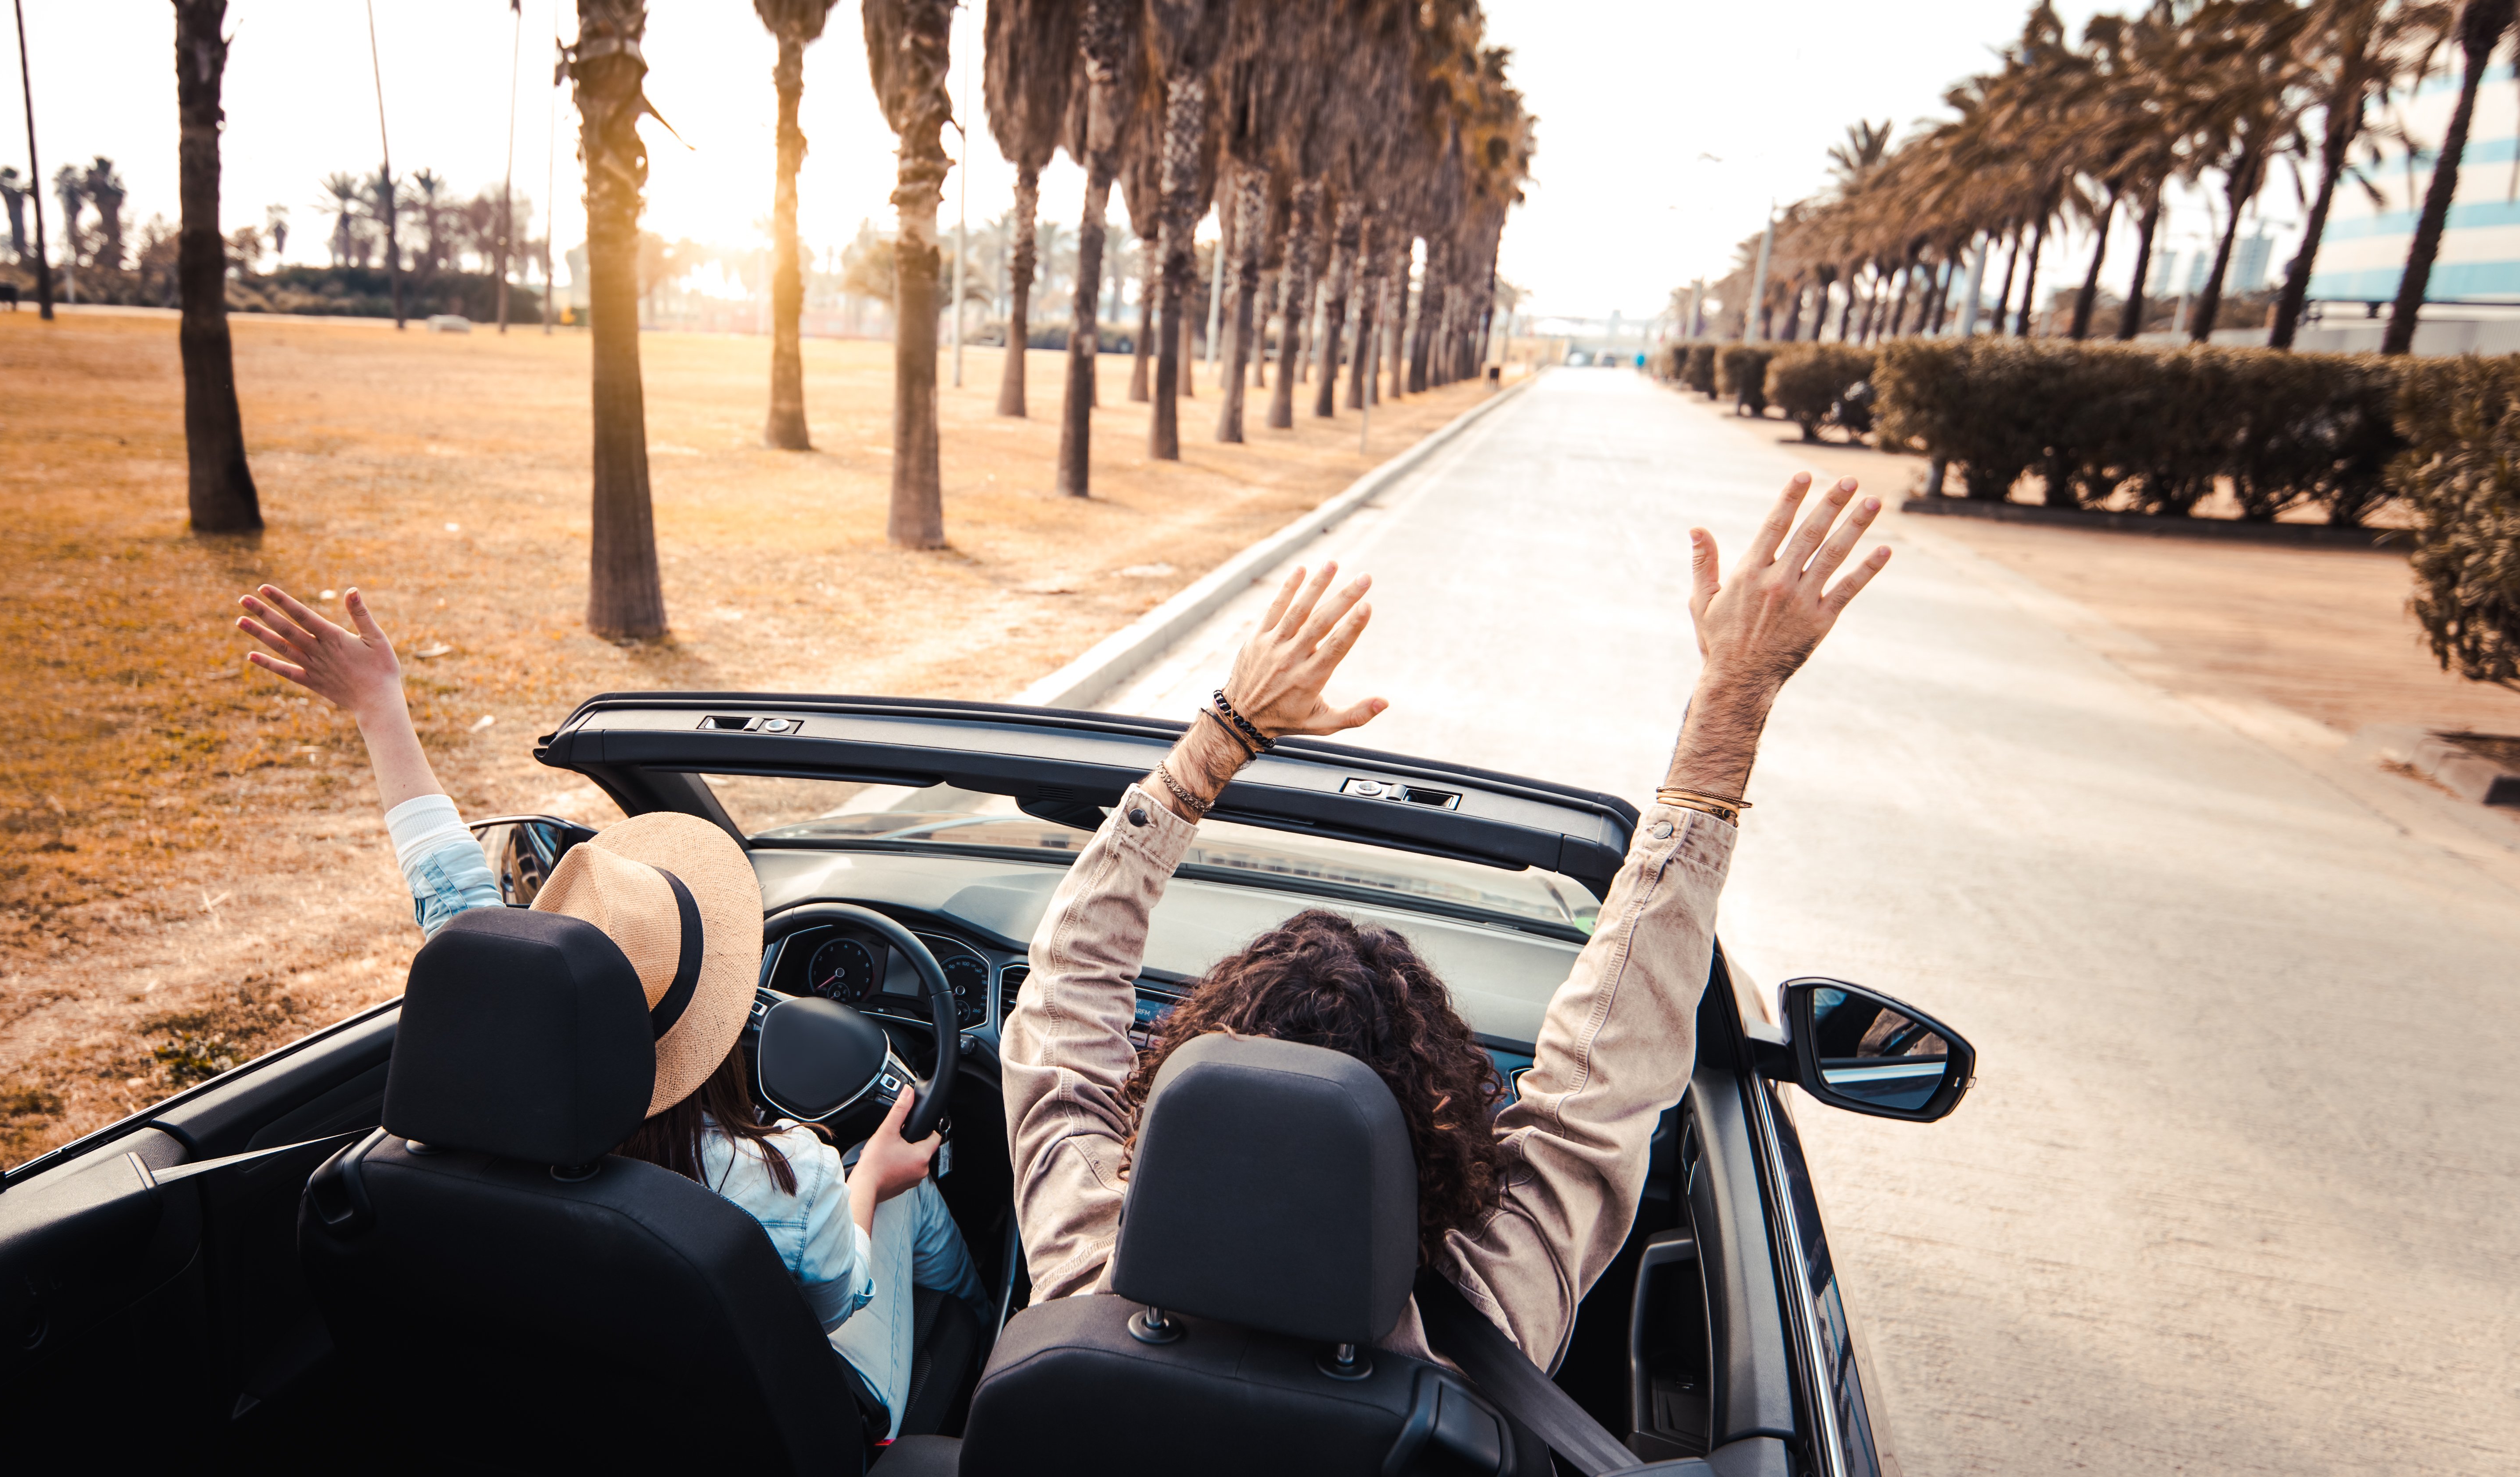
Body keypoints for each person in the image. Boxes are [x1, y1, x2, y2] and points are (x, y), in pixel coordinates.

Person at [1003, 472, 1891, 1366]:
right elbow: (1609, 1069)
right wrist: (1737, 686)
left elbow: (1066, 988)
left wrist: (1222, 734)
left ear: (1163, 1106)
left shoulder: (1082, 1257)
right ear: (1439, 1144)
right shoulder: (1494, 1308)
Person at [233, 583, 982, 1438]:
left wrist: (380, 709)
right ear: (719, 1007)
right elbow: (840, 1293)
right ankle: (987, 1332)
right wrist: (869, 1177)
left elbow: (448, 890)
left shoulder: (452, 1133)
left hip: (539, 1424)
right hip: (800, 1430)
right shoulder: (779, 1172)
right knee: (901, 1187)